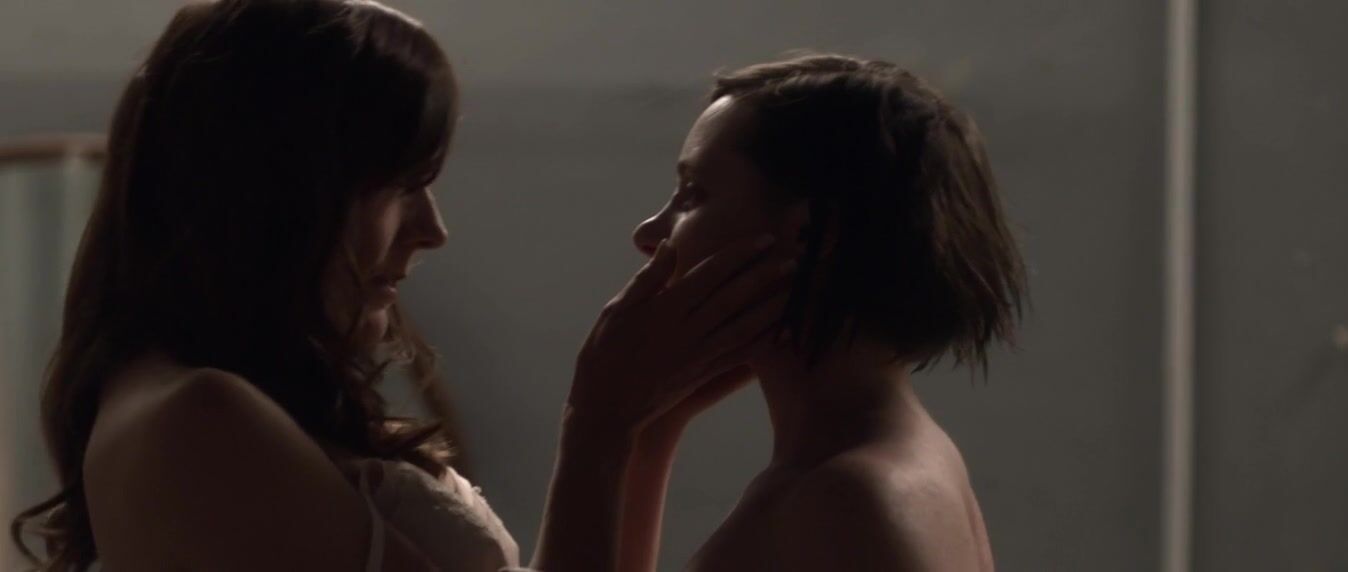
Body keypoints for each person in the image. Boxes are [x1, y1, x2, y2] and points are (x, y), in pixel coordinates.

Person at [7, 1, 792, 570]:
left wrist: (646, 430)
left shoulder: (213, 401)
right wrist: (599, 423)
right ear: (281, 192)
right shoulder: (198, 416)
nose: (432, 229)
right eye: (404, 185)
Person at [624, 54, 1027, 571]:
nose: (648, 235)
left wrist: (593, 428)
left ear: (811, 233)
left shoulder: (846, 498)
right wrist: (648, 431)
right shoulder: (899, 459)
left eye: (692, 195)